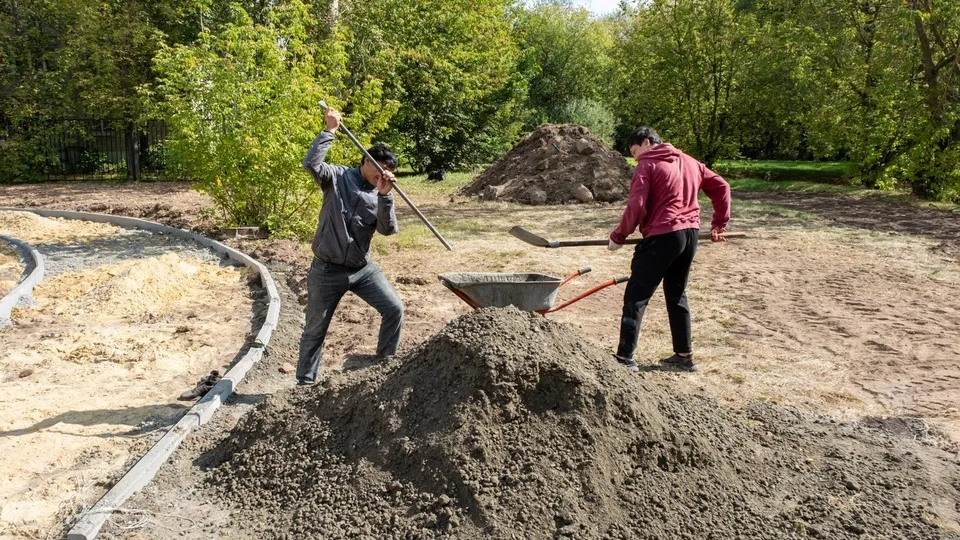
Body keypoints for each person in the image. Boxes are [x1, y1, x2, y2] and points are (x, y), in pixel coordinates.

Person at [296, 105, 404, 385]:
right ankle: (305, 384)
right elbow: (311, 164)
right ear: (367, 160)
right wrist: (329, 131)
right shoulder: (337, 177)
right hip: (326, 270)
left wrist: (385, 197)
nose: (383, 174)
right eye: (381, 168)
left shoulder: (380, 192)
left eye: (388, 170)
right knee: (315, 330)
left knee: (394, 308)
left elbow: (388, 230)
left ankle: (384, 368)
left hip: (361, 269)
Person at [608, 126, 730, 373]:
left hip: (663, 235)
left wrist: (619, 236)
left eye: (635, 152)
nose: (635, 158)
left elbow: (637, 205)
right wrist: (719, 223)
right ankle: (684, 356)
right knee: (677, 294)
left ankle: (624, 358)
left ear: (646, 142)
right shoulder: (690, 161)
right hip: (690, 235)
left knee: (637, 295)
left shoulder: (647, 164)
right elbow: (722, 187)